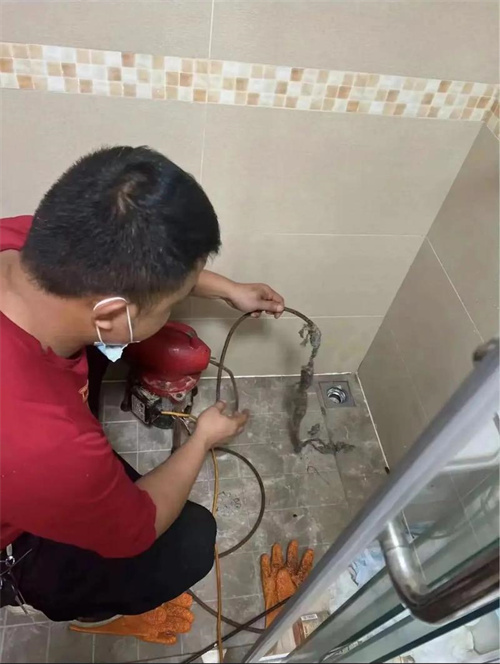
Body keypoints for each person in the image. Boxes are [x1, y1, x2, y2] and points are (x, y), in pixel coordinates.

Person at [0, 146, 285, 630]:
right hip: (16, 534)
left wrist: (229, 289)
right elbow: (137, 528)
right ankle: (34, 589)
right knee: (190, 540)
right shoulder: (46, 443)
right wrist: (202, 438)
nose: (172, 310)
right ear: (112, 313)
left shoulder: (29, 243)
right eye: (170, 303)